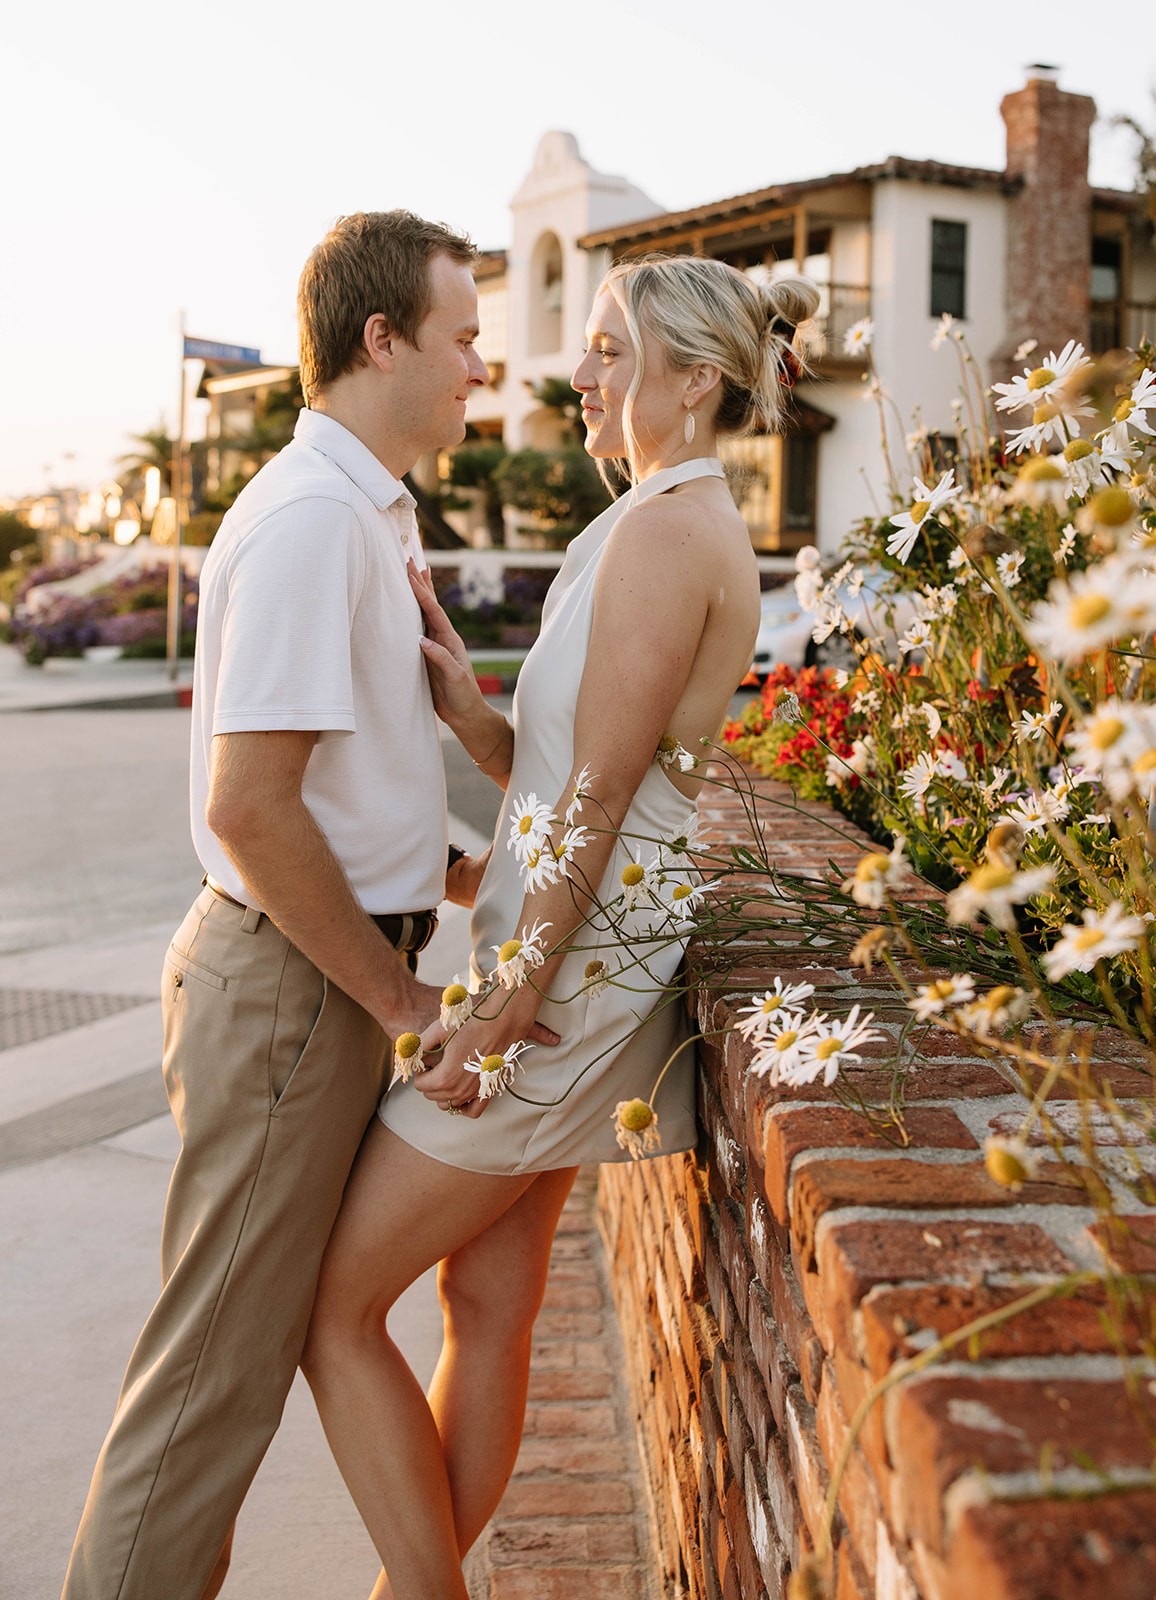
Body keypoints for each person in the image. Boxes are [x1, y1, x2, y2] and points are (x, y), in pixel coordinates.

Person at [302, 253, 820, 1599]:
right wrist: (466, 707)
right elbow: (580, 768)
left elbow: (594, 803)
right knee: (486, 1303)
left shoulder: (665, 532)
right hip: (580, 954)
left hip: (575, 982)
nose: (578, 373)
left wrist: (508, 1002)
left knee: (333, 1305)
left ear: (694, 378)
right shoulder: (655, 515)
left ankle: (423, 1592)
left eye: (606, 349)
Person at [61, 209, 536, 1600]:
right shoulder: (315, 520)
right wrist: (404, 1008)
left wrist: (469, 880)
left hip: (318, 978)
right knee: (211, 1384)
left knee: (237, 1364)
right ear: (379, 339)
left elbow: (350, 797)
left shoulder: (371, 513)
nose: (478, 374)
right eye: (460, 341)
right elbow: (250, 809)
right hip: (290, 993)